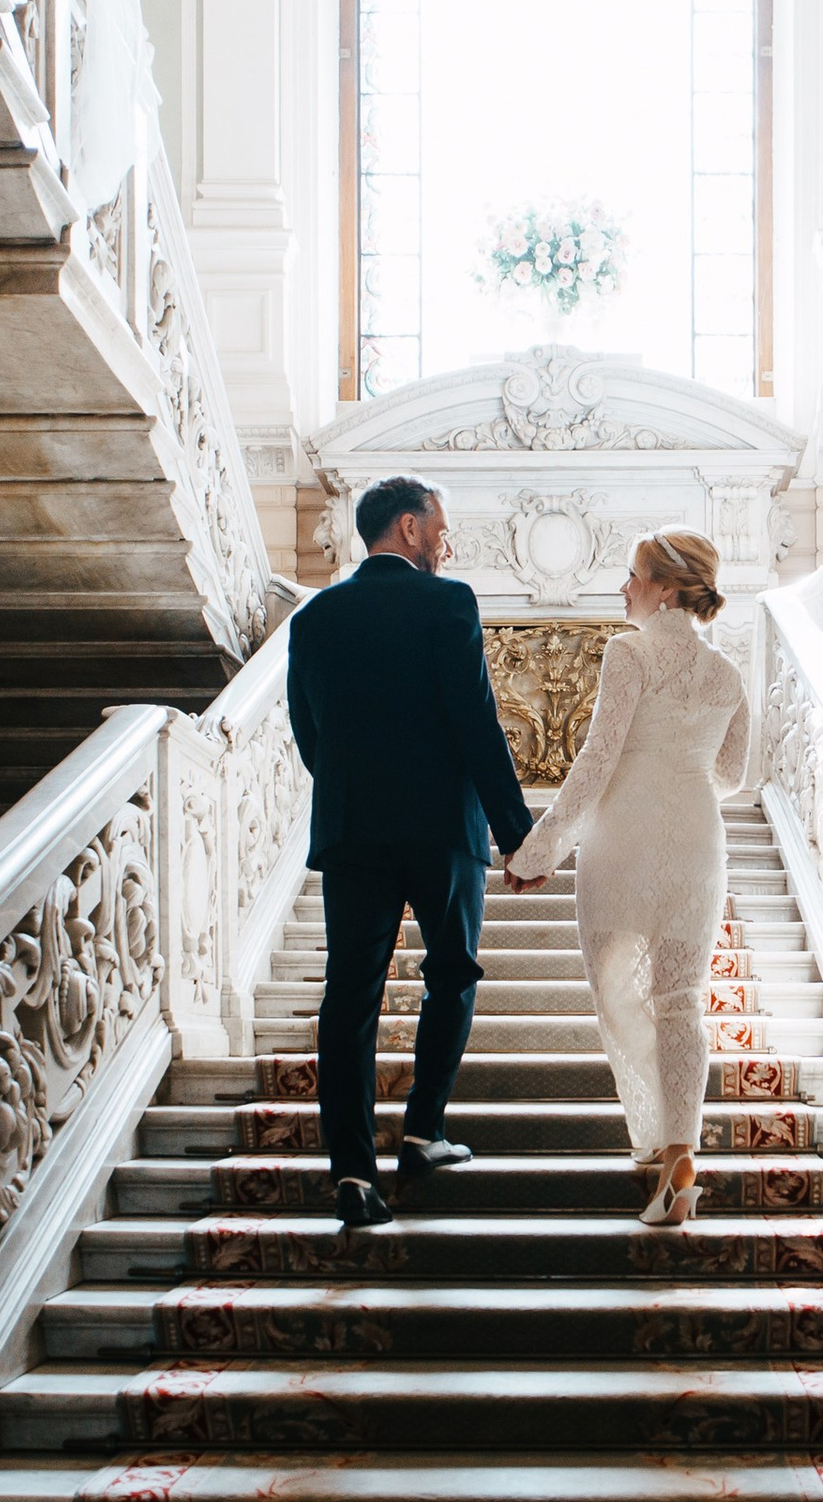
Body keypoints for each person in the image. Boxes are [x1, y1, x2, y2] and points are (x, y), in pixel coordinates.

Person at [284, 474, 537, 1229]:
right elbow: (476, 722)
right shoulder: (448, 602)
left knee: (349, 995)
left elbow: (308, 730)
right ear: (409, 527)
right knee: (451, 974)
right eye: (440, 529)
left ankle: (353, 1175)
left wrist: (353, 794)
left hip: (353, 829)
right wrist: (518, 836)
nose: (445, 543)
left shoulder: (316, 615)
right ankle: (424, 1132)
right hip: (440, 829)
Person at [504, 528, 750, 1226]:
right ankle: (679, 1155)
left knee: (617, 992)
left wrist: (537, 851)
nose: (624, 588)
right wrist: (682, 773)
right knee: (682, 998)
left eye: (634, 576)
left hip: (625, 840)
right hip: (698, 839)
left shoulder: (628, 652)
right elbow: (732, 774)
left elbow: (597, 760)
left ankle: (657, 1136)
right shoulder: (728, 674)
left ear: (665, 589)